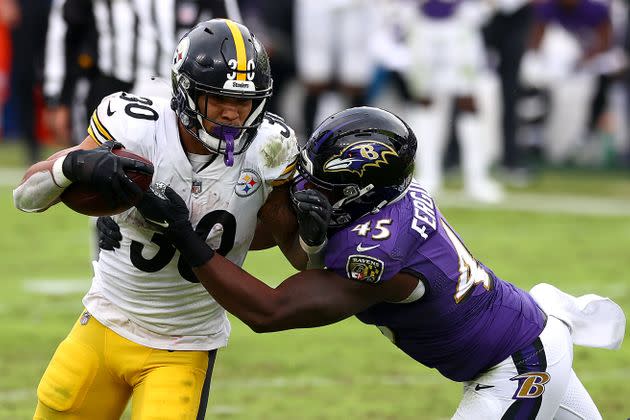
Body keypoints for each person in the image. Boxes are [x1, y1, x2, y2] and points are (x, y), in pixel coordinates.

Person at [129, 106, 624, 419]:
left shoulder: (381, 257)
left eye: (325, 186)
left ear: (363, 192)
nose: (310, 190)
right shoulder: (387, 204)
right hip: (524, 333)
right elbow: (313, 257)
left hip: (515, 365)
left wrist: (185, 237)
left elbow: (271, 311)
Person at [13, 19, 320, 419]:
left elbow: (294, 253)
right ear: (187, 93)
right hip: (106, 319)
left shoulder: (270, 147)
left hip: (185, 342)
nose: (233, 113)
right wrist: (72, 165)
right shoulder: (135, 126)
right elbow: (26, 197)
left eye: (244, 101)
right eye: (218, 99)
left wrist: (313, 237)